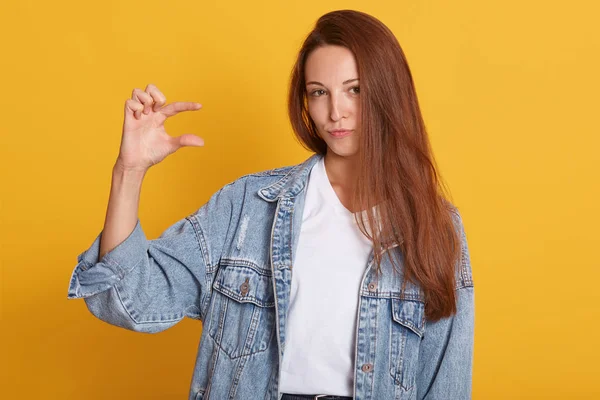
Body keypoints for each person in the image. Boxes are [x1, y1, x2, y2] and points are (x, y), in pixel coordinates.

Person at [67, 9, 474, 400]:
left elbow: (446, 386)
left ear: (389, 91)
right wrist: (129, 171)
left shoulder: (434, 226)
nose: (336, 111)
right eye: (319, 93)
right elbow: (129, 299)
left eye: (355, 89)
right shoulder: (247, 207)